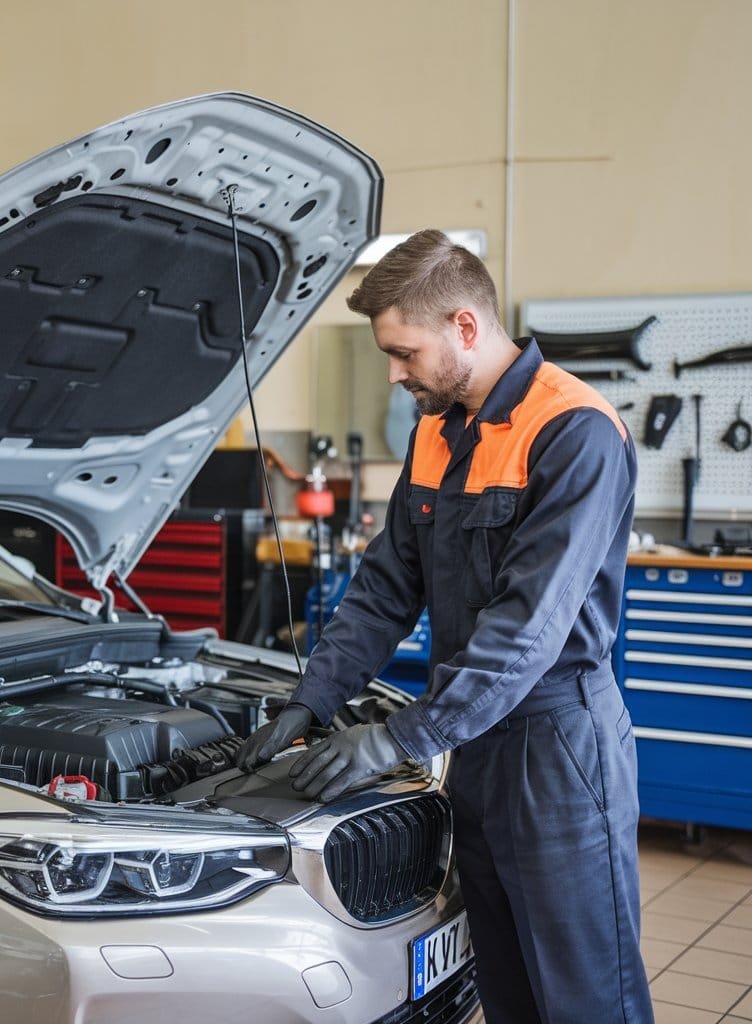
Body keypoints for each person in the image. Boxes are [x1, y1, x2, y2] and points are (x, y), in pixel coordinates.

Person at [238, 230, 654, 1024]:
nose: (395, 375)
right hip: (475, 744)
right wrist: (313, 698)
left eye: (404, 353)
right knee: (504, 979)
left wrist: (396, 740)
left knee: (587, 994)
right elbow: (386, 586)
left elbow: (527, 630)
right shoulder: (438, 430)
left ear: (466, 326)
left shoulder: (575, 431)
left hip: (559, 748)